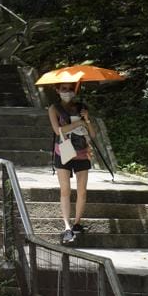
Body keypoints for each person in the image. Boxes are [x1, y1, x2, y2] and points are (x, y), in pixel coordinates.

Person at [47, 82, 96, 244]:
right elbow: (58, 130)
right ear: (57, 91)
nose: (67, 92)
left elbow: (93, 135)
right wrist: (78, 123)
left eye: (70, 89)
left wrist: (86, 119)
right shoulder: (54, 109)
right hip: (64, 151)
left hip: (82, 152)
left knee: (82, 191)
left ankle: (77, 223)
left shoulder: (81, 107)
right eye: (64, 89)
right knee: (65, 190)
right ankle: (67, 226)